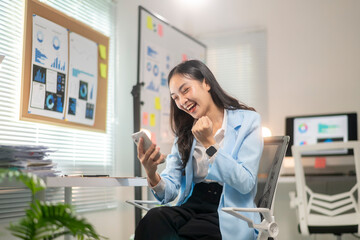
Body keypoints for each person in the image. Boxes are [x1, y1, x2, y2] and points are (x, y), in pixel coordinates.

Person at [135, 60, 263, 240]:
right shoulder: (185, 132)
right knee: (153, 220)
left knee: (193, 233)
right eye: (175, 97)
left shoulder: (248, 121)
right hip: (191, 204)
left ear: (206, 83)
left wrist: (210, 144)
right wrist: (151, 173)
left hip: (227, 210)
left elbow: (245, 182)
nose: (181, 101)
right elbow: (170, 190)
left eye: (185, 90)